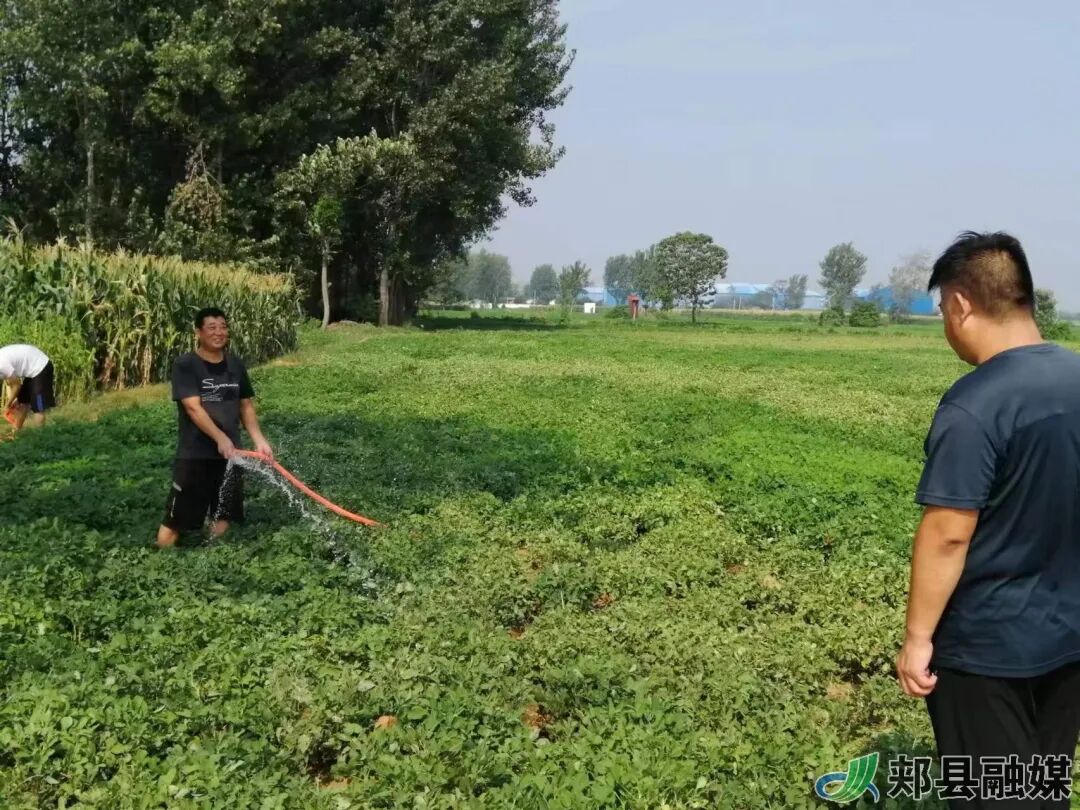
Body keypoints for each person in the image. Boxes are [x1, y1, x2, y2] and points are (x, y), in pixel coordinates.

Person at [896, 231, 1080, 808]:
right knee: (1041, 787)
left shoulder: (975, 404)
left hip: (987, 649)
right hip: (1069, 635)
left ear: (960, 305)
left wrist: (917, 639)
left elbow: (948, 535)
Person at [156, 307, 273, 549]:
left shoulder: (235, 365)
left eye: (223, 327)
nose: (219, 332)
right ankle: (162, 560)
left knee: (224, 515)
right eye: (212, 327)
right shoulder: (186, 365)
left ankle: (212, 558)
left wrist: (259, 440)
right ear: (198, 332)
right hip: (196, 454)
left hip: (231, 454)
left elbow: (245, 405)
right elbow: (193, 408)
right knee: (176, 520)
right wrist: (220, 437)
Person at [0, 343, 56, 431]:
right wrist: (13, 399)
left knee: (38, 408)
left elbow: (16, 385)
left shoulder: (1, 364)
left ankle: (39, 436)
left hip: (41, 367)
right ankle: (16, 432)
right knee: (22, 402)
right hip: (31, 369)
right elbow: (9, 382)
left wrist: (7, 405)